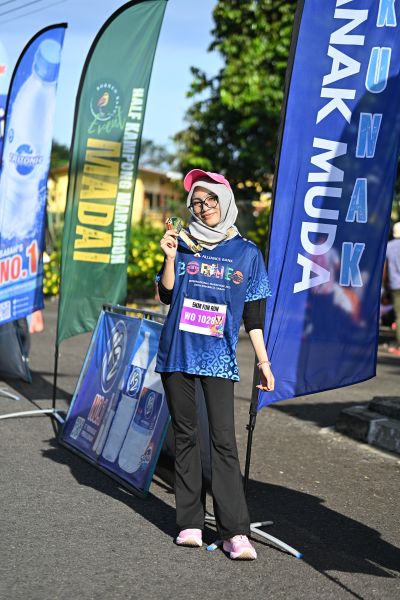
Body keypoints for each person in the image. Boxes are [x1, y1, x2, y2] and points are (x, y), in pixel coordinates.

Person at [155, 169, 274, 560]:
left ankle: (234, 532)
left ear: (225, 202)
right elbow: (166, 295)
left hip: (219, 358)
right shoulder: (181, 243)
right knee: (186, 437)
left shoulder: (247, 253)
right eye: (197, 202)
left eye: (210, 200)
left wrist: (263, 361)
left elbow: (254, 316)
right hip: (177, 353)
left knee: (223, 441)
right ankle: (190, 523)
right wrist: (170, 258)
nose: (204, 207)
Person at [384, 221, 400, 355]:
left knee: (399, 315)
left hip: (395, 286)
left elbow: (385, 268)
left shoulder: (389, 246)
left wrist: (385, 286)